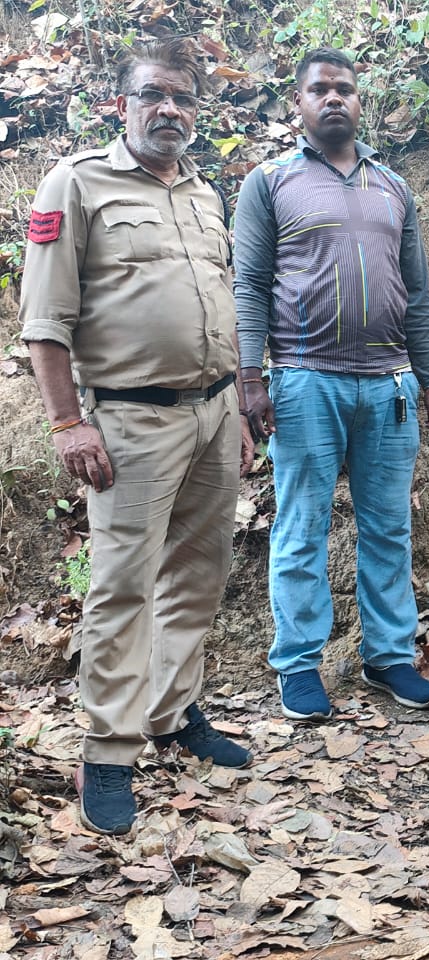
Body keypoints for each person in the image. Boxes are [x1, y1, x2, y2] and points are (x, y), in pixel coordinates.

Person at [19, 38, 255, 835]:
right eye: (154, 94)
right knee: (123, 586)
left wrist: (235, 412)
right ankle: (108, 751)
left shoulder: (203, 191)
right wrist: (66, 422)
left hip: (214, 414)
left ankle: (171, 711)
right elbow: (44, 322)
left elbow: (220, 304)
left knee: (199, 574)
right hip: (129, 420)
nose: (170, 110)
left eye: (184, 98)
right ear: (121, 105)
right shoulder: (78, 183)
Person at [234, 47, 429, 722]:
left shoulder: (393, 186)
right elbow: (250, 284)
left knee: (388, 526)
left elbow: (416, 293)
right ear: (297, 104)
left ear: (360, 102)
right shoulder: (269, 182)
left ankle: (388, 656)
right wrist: (250, 376)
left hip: (389, 384)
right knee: (302, 527)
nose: (333, 98)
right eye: (319, 89)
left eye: (345, 89)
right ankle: (299, 665)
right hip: (305, 379)